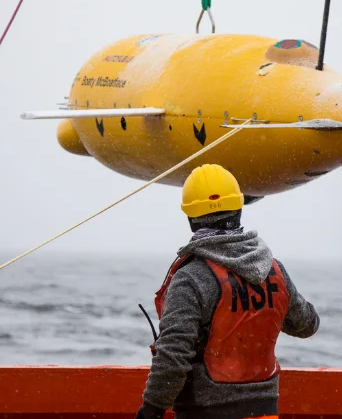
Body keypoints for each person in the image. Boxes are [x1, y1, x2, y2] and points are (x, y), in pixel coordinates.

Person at [136, 164, 320, 419]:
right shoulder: (275, 270)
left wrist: (151, 410)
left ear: (191, 218)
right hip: (264, 411)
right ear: (239, 209)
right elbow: (307, 325)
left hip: (206, 413)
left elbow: (173, 355)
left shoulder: (191, 277)